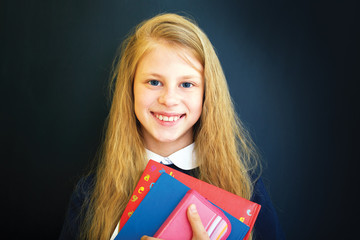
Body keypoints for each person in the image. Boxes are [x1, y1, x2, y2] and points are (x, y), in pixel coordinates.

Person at [59, 13, 285, 240]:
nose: (169, 99)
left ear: (207, 93)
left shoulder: (245, 185)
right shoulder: (91, 193)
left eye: (187, 84)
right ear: (130, 89)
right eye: (154, 82)